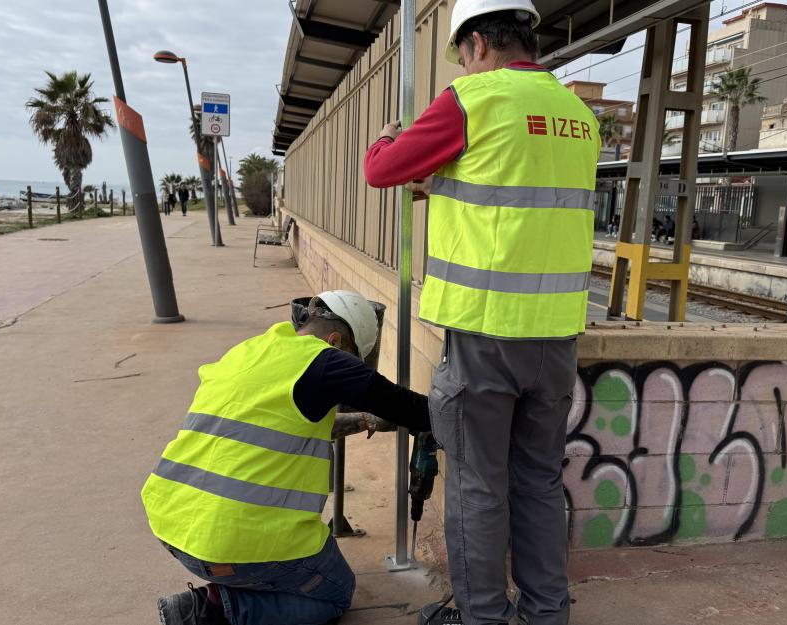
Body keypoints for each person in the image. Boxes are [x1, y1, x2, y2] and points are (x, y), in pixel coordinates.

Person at [363, 3, 599, 624]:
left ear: (476, 44)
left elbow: (381, 171)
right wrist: (440, 182)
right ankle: (547, 615)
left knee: (477, 488)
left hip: (486, 336)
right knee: (540, 482)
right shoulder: (578, 113)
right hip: (557, 338)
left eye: (461, 55)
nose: (461, 65)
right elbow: (516, 192)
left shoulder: (470, 99)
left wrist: (389, 137)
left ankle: (482, 619)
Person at [143, 291, 431, 625]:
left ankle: (236, 586)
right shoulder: (328, 361)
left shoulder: (250, 351)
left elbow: (290, 423)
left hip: (171, 526)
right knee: (336, 592)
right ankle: (214, 609)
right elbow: (413, 409)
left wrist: (366, 420)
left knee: (296, 573)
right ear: (336, 340)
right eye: (354, 356)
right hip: (226, 544)